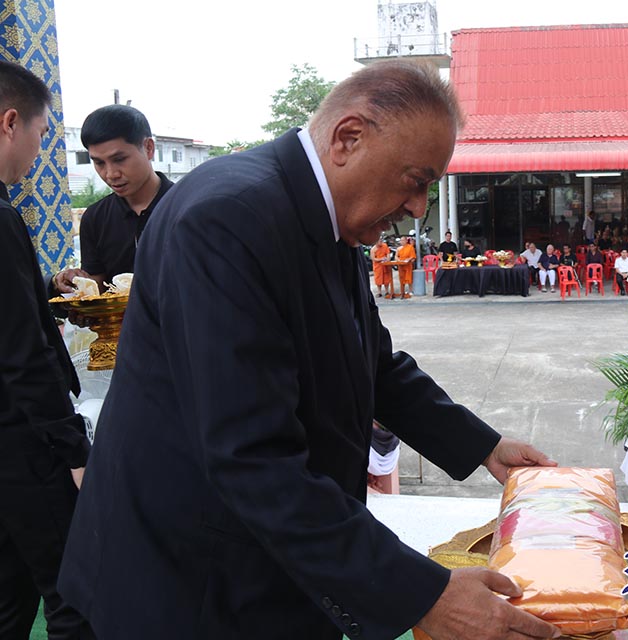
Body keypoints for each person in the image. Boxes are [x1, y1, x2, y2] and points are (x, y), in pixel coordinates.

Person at [58, 60, 560, 640]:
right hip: (194, 580)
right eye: (416, 180)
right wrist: (421, 595)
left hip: (269, 563)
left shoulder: (323, 213)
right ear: (349, 138)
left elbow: (372, 363)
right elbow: (251, 456)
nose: (419, 207)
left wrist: (483, 445)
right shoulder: (227, 219)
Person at [0, 60, 94, 640]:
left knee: (9, 596)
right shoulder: (3, 218)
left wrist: (42, 291)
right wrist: (73, 449)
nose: (37, 154)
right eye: (40, 135)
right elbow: (23, 354)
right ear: (10, 122)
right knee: (73, 592)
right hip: (23, 443)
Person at [51, 105, 172, 295]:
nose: (110, 174)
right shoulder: (95, 218)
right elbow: (97, 290)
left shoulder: (185, 207)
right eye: (99, 162)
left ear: (148, 148)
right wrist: (75, 282)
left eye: (119, 159)